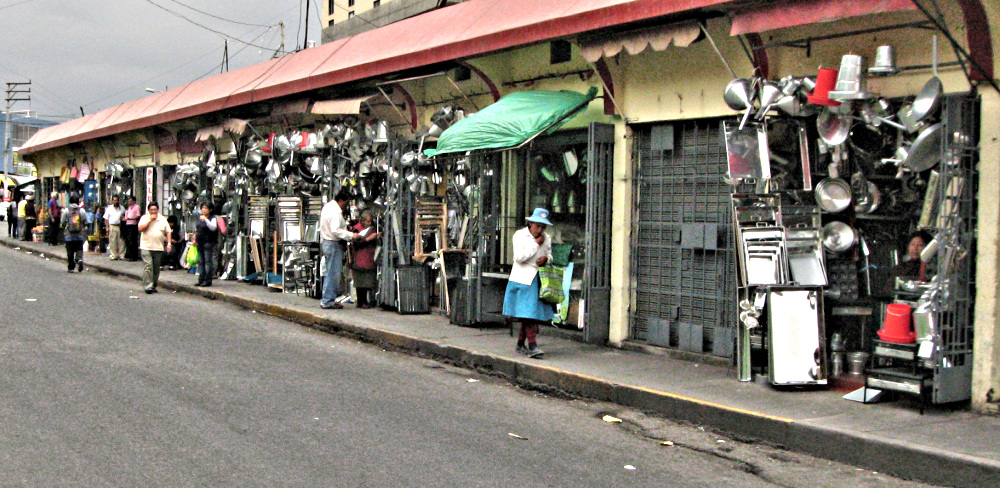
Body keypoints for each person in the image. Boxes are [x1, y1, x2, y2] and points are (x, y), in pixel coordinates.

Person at [503, 208, 555, 359]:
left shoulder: (547, 238)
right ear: (530, 223)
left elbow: (550, 254)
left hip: (537, 279)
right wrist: (535, 244)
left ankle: (520, 343)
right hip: (521, 279)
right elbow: (519, 257)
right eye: (537, 226)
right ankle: (532, 345)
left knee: (528, 313)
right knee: (528, 314)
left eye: (543, 227)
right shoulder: (519, 235)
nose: (540, 230)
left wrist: (546, 259)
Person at [319, 189, 360, 310]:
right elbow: (335, 230)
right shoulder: (336, 211)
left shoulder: (328, 206)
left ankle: (328, 299)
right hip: (332, 244)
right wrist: (351, 235)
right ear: (341, 200)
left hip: (326, 242)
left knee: (330, 272)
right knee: (333, 273)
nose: (346, 206)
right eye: (346, 203)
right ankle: (327, 300)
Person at [137, 202, 172, 294]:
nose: (153, 211)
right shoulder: (144, 218)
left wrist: (169, 243)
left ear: (158, 210)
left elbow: (168, 231)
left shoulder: (162, 219)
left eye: (155, 209)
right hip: (146, 246)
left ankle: (153, 284)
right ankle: (147, 286)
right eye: (151, 210)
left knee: (156, 268)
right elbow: (140, 229)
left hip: (158, 247)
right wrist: (149, 220)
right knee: (148, 266)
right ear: (148, 210)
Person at [349, 211, 381, 309]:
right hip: (359, 257)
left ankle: (368, 301)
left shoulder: (372, 229)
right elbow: (356, 244)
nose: (369, 224)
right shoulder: (356, 229)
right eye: (367, 222)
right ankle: (361, 301)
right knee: (360, 281)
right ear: (362, 221)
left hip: (369, 257)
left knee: (369, 280)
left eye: (370, 222)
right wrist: (368, 239)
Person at [60, 195, 90, 273]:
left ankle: (71, 267)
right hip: (79, 235)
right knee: (79, 249)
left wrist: (64, 228)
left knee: (70, 251)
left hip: (69, 235)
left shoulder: (66, 210)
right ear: (78, 202)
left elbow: (62, 222)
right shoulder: (82, 211)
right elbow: (85, 221)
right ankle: (79, 259)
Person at [194, 203, 219, 287]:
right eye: (202, 208)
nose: (204, 210)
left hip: (208, 242)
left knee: (208, 262)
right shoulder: (200, 218)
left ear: (210, 209)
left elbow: (213, 227)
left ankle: (208, 280)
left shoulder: (212, 218)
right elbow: (197, 229)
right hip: (200, 242)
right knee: (201, 262)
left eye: (206, 208)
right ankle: (201, 279)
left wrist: (206, 220)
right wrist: (195, 239)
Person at [103, 195, 125, 260]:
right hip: (112, 226)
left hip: (120, 226)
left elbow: (125, 216)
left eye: (117, 200)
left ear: (119, 201)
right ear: (112, 201)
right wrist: (107, 228)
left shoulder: (122, 208)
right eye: (114, 200)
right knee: (113, 241)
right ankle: (114, 255)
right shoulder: (109, 208)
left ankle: (121, 255)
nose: (115, 201)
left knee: (121, 241)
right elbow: (106, 219)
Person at [123, 196, 142, 261]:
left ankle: (134, 256)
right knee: (128, 240)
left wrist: (130, 218)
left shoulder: (137, 207)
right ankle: (129, 255)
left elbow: (138, 216)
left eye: (131, 201)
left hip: (133, 225)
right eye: (129, 201)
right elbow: (126, 216)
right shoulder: (129, 208)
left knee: (133, 241)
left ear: (134, 201)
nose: (130, 202)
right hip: (128, 224)